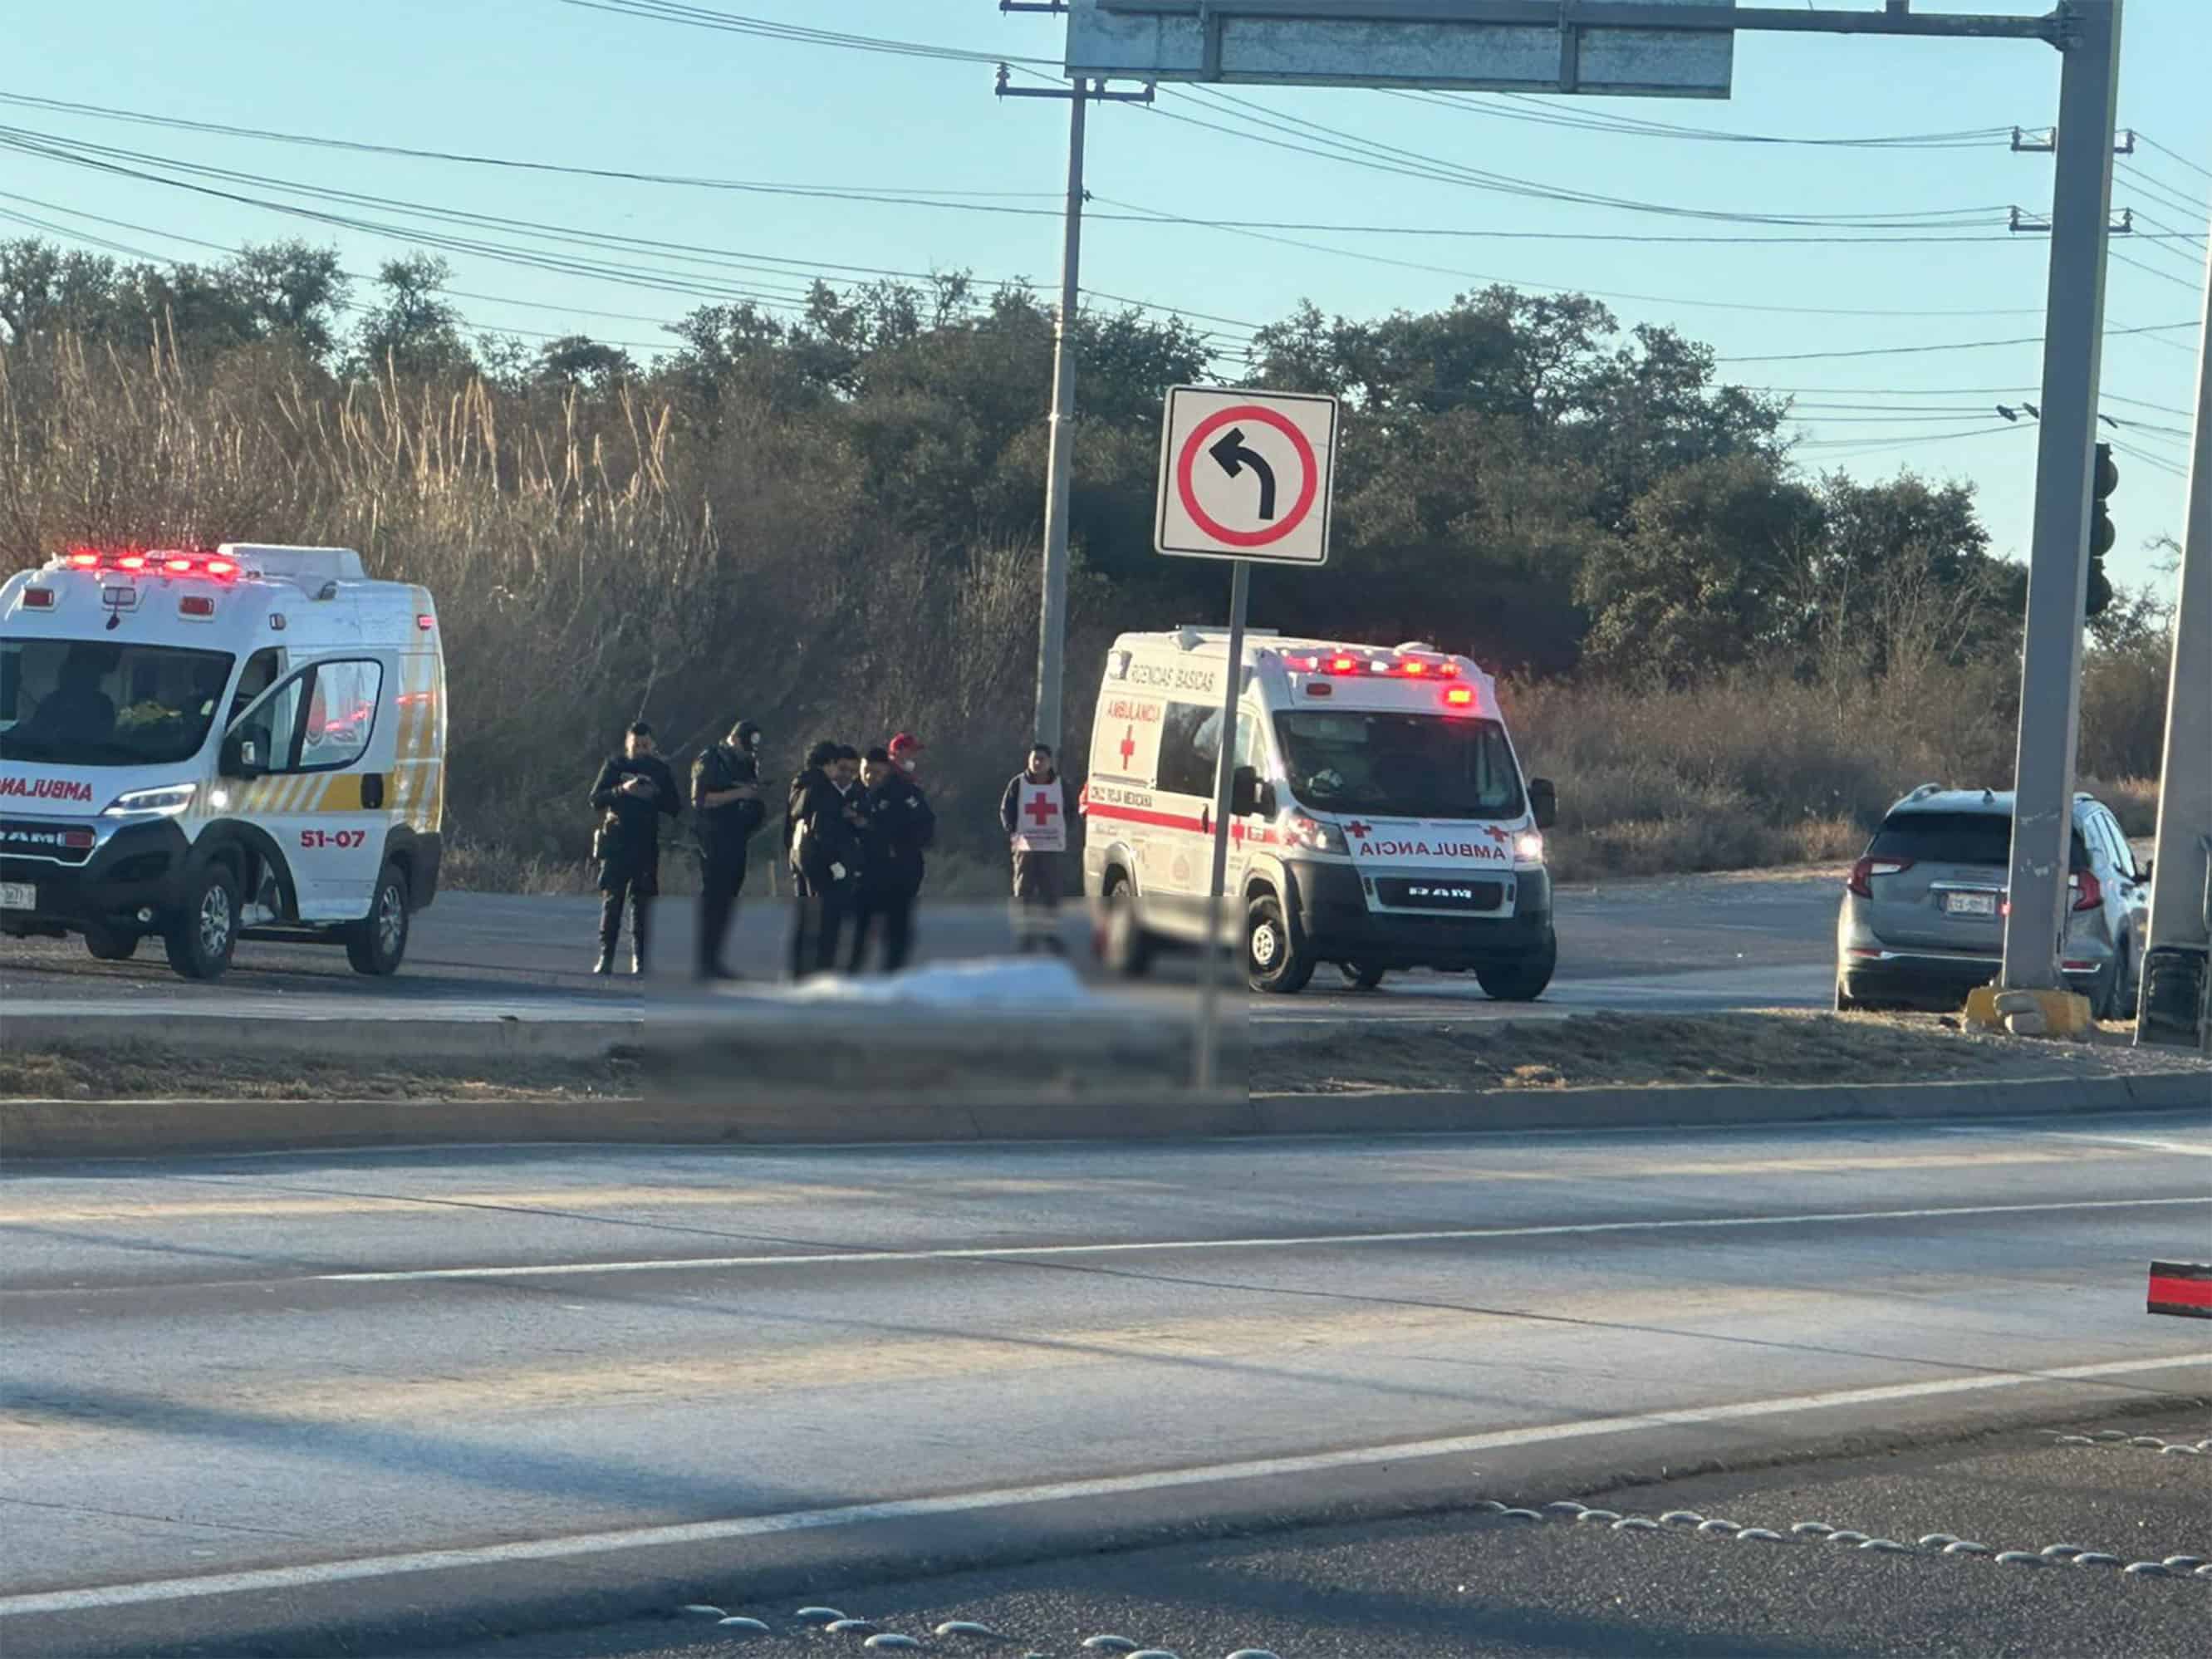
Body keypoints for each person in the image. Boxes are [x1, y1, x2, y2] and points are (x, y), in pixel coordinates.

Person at [588, 720, 680, 975]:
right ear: (627, 744)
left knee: (643, 904)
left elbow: (675, 807)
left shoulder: (661, 770)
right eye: (635, 745)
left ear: (652, 745)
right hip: (618, 839)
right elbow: (595, 799)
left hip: (646, 842)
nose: (640, 749)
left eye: (645, 745)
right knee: (612, 900)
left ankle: (640, 959)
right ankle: (606, 956)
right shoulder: (616, 765)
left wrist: (655, 793)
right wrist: (622, 790)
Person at [689, 719, 765, 981]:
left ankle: (715, 959)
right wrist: (739, 794)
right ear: (733, 739)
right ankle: (703, 962)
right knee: (714, 897)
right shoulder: (711, 759)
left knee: (729, 898)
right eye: (744, 747)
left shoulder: (747, 762)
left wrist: (753, 798)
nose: (747, 753)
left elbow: (750, 793)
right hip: (713, 836)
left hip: (737, 837)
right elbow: (700, 799)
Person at [850, 745, 935, 973]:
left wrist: (875, 829)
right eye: (866, 770)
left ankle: (893, 974)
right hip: (864, 872)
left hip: (899, 872)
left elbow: (925, 829)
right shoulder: (854, 792)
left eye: (877, 772)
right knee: (858, 928)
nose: (870, 777)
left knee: (897, 928)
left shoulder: (903, 793)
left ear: (887, 771)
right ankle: (851, 973)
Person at [786, 739, 864, 979]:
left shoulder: (799, 785)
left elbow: (793, 824)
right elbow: (822, 829)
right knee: (826, 921)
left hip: (800, 858)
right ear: (829, 764)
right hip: (822, 864)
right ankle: (822, 971)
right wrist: (834, 863)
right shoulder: (823, 789)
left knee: (805, 920)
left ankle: (798, 971)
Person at [1001, 743, 1072, 955]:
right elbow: (1006, 810)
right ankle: (1026, 935)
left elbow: (1069, 810)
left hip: (1051, 847)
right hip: (1025, 848)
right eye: (1035, 759)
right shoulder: (1018, 784)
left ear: (1050, 762)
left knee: (1051, 892)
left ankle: (1051, 934)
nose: (1038, 763)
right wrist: (1013, 831)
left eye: (1042, 759)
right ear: (1029, 761)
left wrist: (1063, 830)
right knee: (1023, 892)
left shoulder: (1061, 785)